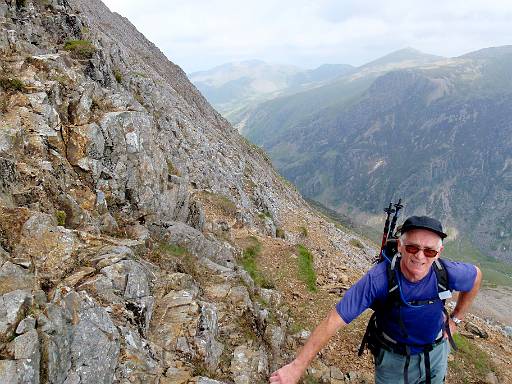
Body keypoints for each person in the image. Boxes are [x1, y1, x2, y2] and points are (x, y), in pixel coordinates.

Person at [269, 216, 482, 384]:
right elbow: (333, 320)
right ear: (400, 246)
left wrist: (456, 319)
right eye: (412, 248)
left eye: (429, 250)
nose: (420, 256)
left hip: (435, 352)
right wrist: (297, 367)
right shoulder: (379, 279)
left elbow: (476, 276)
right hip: (393, 360)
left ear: (439, 253)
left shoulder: (447, 273)